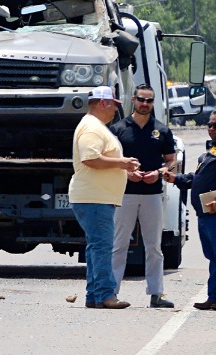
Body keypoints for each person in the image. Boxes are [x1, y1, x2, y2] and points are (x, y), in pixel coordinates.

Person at [164, 109, 216, 311]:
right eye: (210, 125)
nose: (211, 129)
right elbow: (199, 177)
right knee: (214, 256)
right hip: (207, 212)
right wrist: (177, 179)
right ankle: (215, 296)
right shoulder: (215, 149)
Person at [69, 86, 140, 309]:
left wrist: (125, 171)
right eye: (114, 105)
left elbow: (98, 160)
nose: (115, 111)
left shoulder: (95, 127)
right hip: (94, 197)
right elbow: (91, 158)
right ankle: (105, 294)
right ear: (103, 103)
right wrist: (122, 163)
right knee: (101, 246)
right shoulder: (92, 128)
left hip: (95, 196)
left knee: (96, 246)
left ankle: (95, 295)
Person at [109, 84, 176, 308]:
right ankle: (111, 291)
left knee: (154, 246)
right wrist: (127, 173)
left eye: (149, 101)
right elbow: (109, 161)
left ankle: (156, 293)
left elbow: (171, 160)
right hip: (125, 194)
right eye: (141, 100)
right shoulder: (118, 129)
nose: (145, 104)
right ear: (134, 101)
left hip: (152, 194)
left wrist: (159, 173)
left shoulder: (162, 130)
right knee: (119, 245)